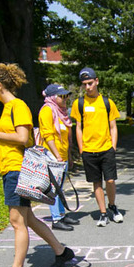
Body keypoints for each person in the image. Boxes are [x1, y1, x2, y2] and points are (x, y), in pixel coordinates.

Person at [0, 63, 74, 267]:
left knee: (17, 222)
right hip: (10, 168)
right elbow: (14, 138)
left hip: (16, 170)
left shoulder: (18, 106)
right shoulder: (8, 109)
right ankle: (61, 251)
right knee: (28, 219)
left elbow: (22, 138)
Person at [70, 67, 123, 227]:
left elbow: (113, 126)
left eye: (90, 83)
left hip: (106, 148)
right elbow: (78, 127)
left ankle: (112, 206)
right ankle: (102, 213)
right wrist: (81, 148)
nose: (88, 87)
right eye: (84, 84)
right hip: (89, 149)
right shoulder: (79, 104)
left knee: (110, 180)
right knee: (96, 182)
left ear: (97, 81)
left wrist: (113, 146)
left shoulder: (107, 102)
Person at [39, 83, 79, 231]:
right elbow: (48, 135)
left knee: (60, 187)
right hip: (52, 156)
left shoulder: (61, 112)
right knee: (54, 188)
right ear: (52, 97)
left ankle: (61, 214)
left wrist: (69, 155)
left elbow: (66, 136)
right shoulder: (47, 111)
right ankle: (56, 219)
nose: (65, 99)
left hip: (63, 155)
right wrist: (57, 155)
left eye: (66, 96)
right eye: (62, 96)